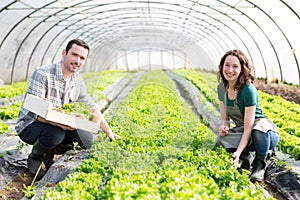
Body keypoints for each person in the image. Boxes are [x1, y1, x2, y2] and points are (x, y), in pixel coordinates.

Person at [15, 38, 120, 178]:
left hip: (59, 122)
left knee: (88, 139)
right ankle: (35, 157)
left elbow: (92, 108)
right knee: (55, 134)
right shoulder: (43, 74)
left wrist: (108, 131)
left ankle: (50, 151)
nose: (77, 61)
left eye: (82, 58)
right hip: (31, 124)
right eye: (74, 55)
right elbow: (35, 111)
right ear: (64, 53)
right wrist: (63, 123)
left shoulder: (77, 80)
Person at [216, 49, 279, 182]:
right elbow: (225, 119)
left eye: (235, 66)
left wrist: (237, 152)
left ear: (242, 70)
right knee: (221, 141)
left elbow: (248, 128)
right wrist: (224, 127)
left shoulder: (248, 90)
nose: (230, 70)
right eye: (227, 65)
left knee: (258, 130)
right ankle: (245, 159)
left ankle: (260, 164)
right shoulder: (222, 88)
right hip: (245, 131)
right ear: (222, 66)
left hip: (264, 133)